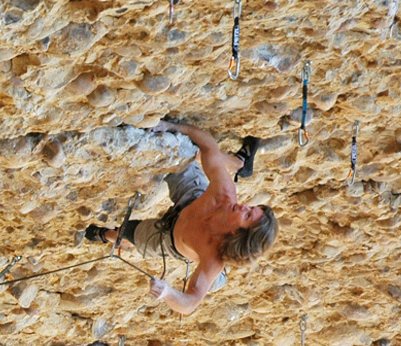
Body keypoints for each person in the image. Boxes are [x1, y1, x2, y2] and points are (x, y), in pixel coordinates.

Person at [85, 121, 278, 315]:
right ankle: (238, 163)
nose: (244, 205)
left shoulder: (213, 258)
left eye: (247, 214)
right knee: (178, 149)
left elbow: (189, 304)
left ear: (238, 232)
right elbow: (209, 147)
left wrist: (167, 293)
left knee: (127, 233)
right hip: (191, 199)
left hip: (168, 239)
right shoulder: (224, 194)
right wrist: (171, 126)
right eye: (251, 208)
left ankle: (104, 235)